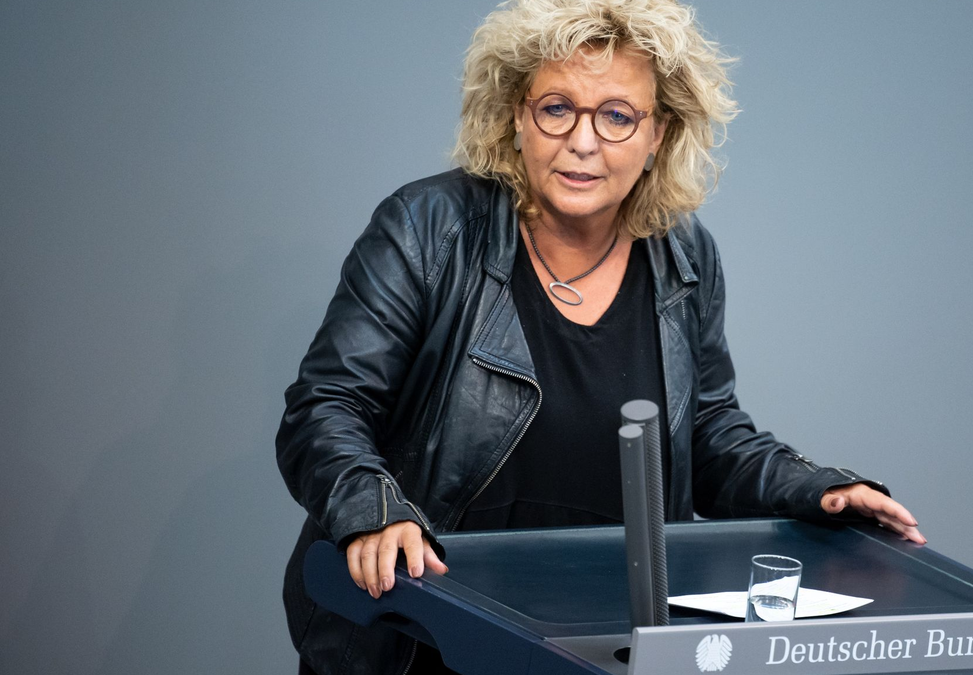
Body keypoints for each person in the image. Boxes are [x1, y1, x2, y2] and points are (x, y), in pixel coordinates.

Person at [277, 1, 925, 673]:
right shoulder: (428, 227)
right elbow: (325, 407)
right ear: (516, 117)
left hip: (600, 646)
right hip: (422, 637)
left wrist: (817, 489)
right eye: (557, 107)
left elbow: (707, 434)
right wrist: (375, 510)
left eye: (617, 116)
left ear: (658, 135)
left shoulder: (685, 256)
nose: (582, 141)